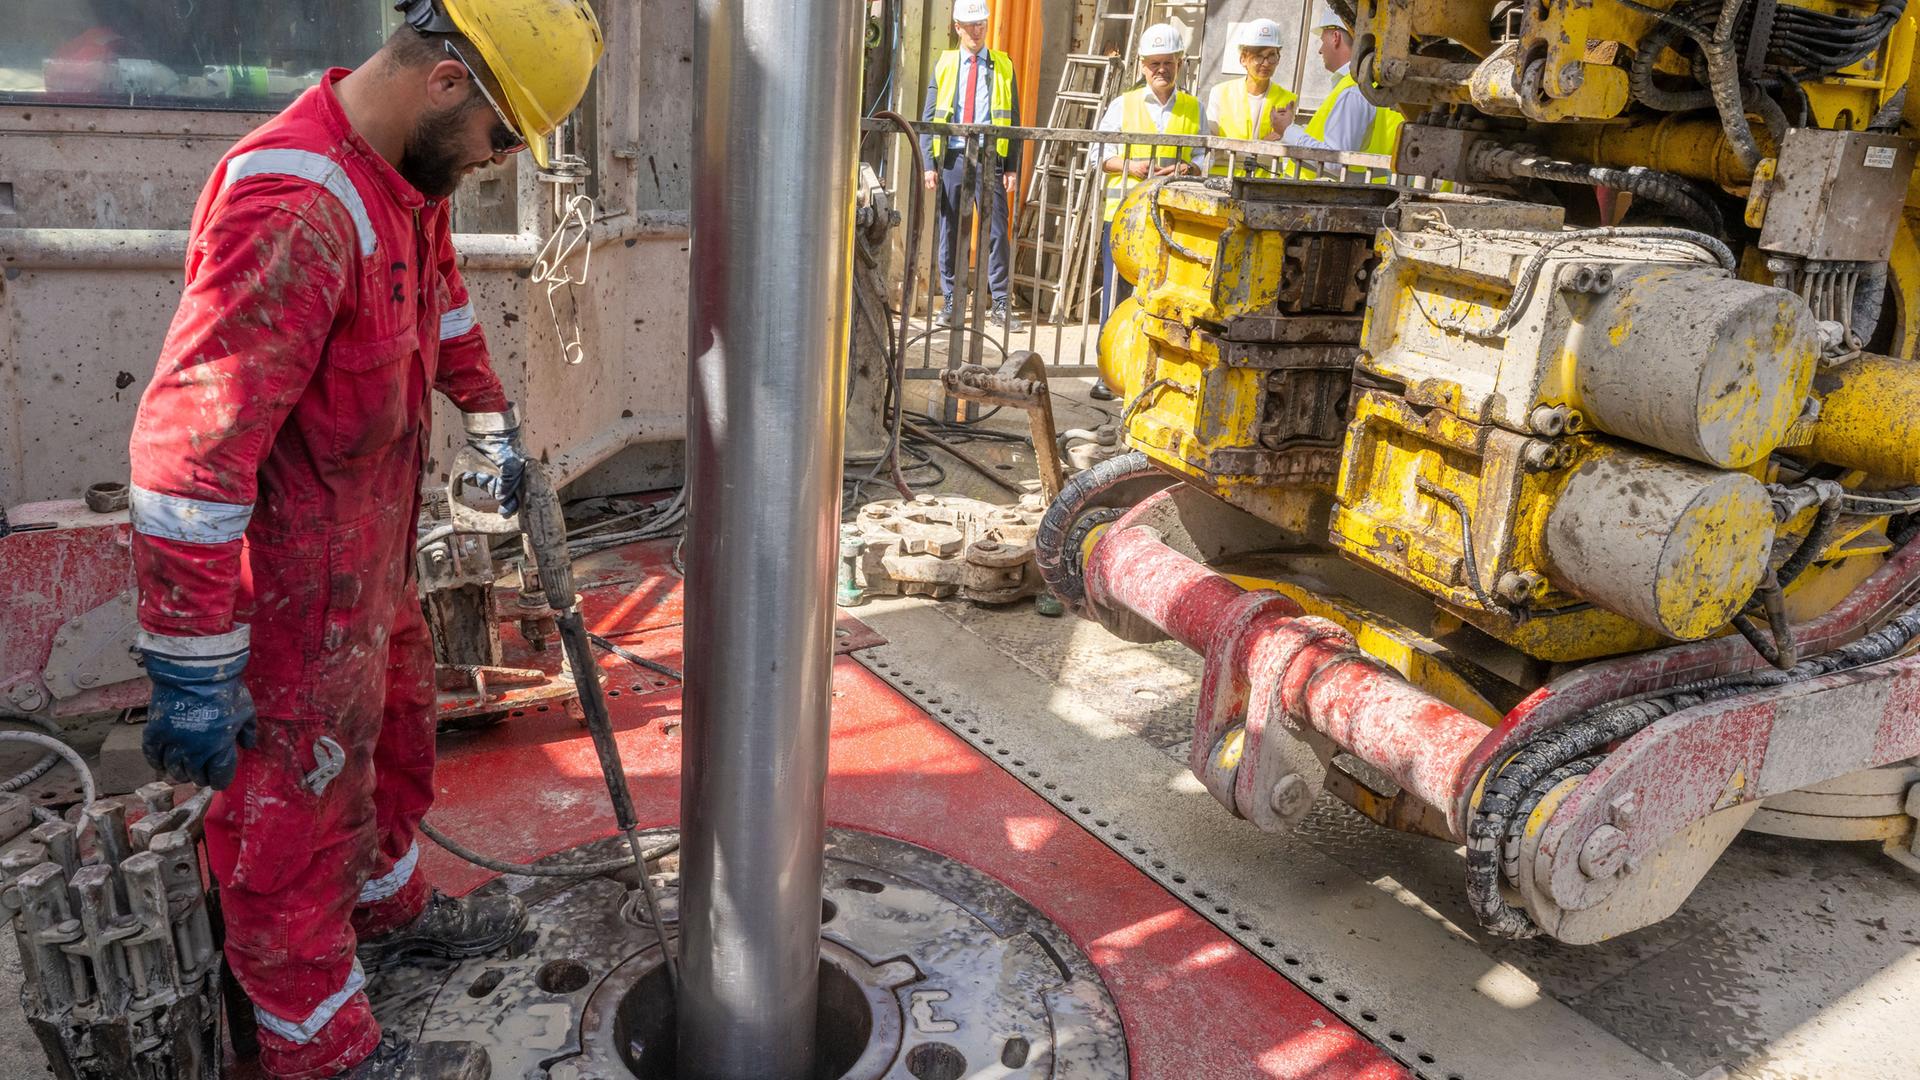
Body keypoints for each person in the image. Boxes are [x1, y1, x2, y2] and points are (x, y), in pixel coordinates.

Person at [125, 2, 602, 1077]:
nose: (491, 165)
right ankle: (320, 1046)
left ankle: (385, 914)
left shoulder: (400, 183)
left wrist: (490, 419)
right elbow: (189, 455)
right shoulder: (296, 205)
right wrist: (193, 667)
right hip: (290, 597)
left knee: (390, 747)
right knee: (292, 817)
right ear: (446, 83)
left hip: (368, 555)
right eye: (499, 140)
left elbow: (440, 308)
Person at [1093, 22, 1205, 400]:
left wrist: (1185, 169)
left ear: (1179, 63)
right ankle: (1106, 372)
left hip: (1172, 222)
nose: (1161, 70)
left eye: (1168, 63)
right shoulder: (1123, 105)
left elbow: (1202, 158)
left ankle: (1145, 371)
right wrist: (1132, 165)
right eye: (1154, 63)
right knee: (1116, 295)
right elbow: (1099, 154)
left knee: (1162, 300)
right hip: (1126, 218)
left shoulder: (1192, 107)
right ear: (1142, 66)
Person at [922, 0, 1024, 331]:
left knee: (996, 232)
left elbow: (1015, 121)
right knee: (951, 231)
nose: (977, 31)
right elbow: (930, 116)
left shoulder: (1003, 65)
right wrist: (929, 163)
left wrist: (1011, 167)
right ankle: (952, 300)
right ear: (958, 28)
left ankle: (1000, 304)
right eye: (970, 25)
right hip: (952, 156)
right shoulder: (946, 64)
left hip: (990, 155)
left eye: (981, 24)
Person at [1281, 3, 1403, 181]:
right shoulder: (1380, 86)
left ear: (1335, 37)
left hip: (1322, 198)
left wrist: (1288, 130)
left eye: (1322, 40)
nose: (1320, 49)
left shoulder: (1354, 89)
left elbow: (1334, 160)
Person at [1205, 18, 1297, 177]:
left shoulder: (1287, 99)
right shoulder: (1220, 93)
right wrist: (1264, 144)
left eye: (1271, 56)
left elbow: (1285, 148)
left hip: (1265, 183)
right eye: (1258, 56)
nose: (1266, 63)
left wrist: (1235, 147)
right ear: (1243, 59)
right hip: (1223, 180)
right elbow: (1212, 144)